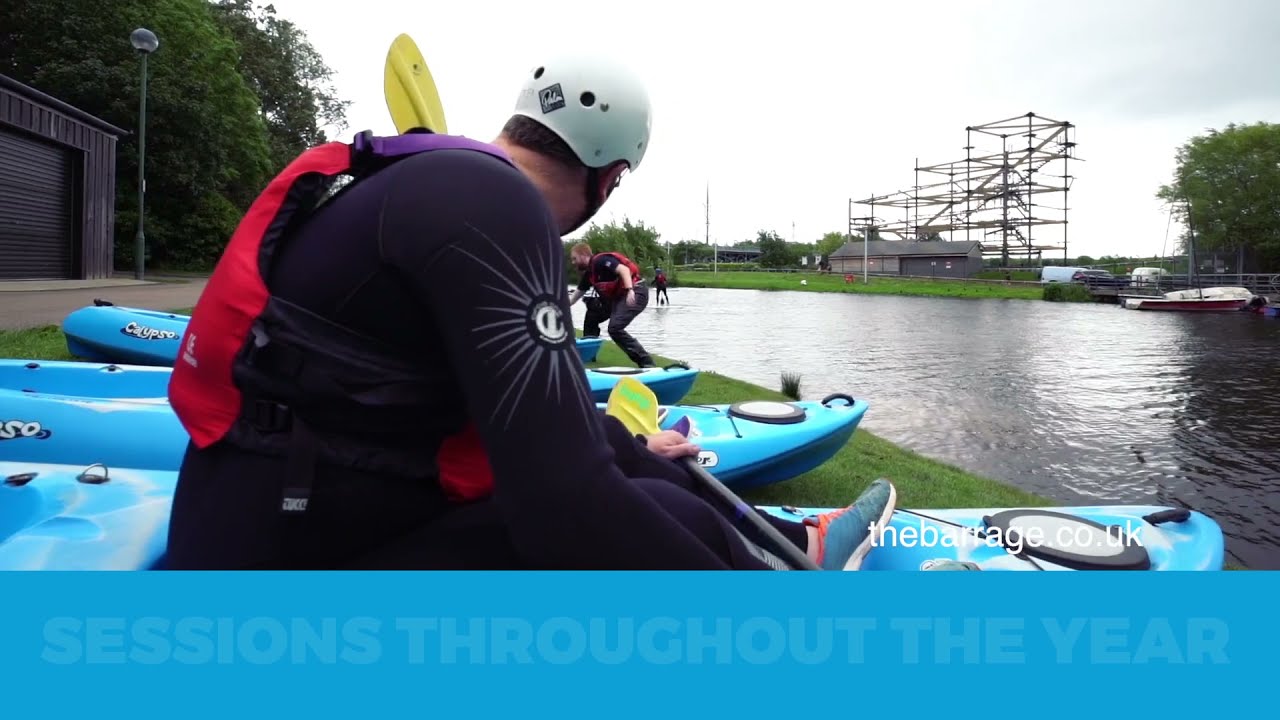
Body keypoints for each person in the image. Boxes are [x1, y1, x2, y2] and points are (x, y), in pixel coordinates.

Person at [162, 50, 899, 571]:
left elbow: (558, 433)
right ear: (610, 180)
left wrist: (626, 450)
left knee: (620, 453)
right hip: (280, 573)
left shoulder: (437, 182)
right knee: (642, 509)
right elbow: (565, 515)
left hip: (280, 522)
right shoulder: (496, 208)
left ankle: (795, 545)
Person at [566, 244, 653, 367]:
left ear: (584, 255)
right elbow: (575, 296)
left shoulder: (600, 261)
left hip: (636, 292)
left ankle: (646, 363)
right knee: (592, 316)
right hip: (618, 298)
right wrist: (560, 307)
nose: (573, 262)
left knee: (614, 328)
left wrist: (629, 290)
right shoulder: (589, 275)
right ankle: (588, 355)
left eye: (574, 258)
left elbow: (624, 270)